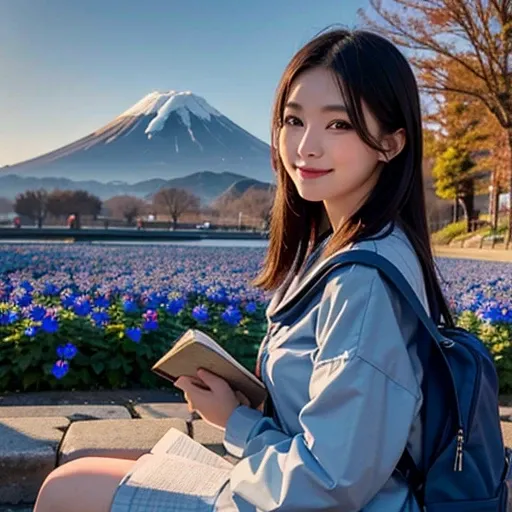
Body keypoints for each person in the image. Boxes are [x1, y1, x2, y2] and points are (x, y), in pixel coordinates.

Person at [33, 27, 454, 512]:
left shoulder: (364, 279)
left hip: (325, 501)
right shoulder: (352, 247)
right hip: (312, 486)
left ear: (391, 143)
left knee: (68, 490)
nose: (306, 146)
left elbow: (332, 484)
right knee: (87, 470)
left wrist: (235, 422)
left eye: (338, 125)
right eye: (293, 120)